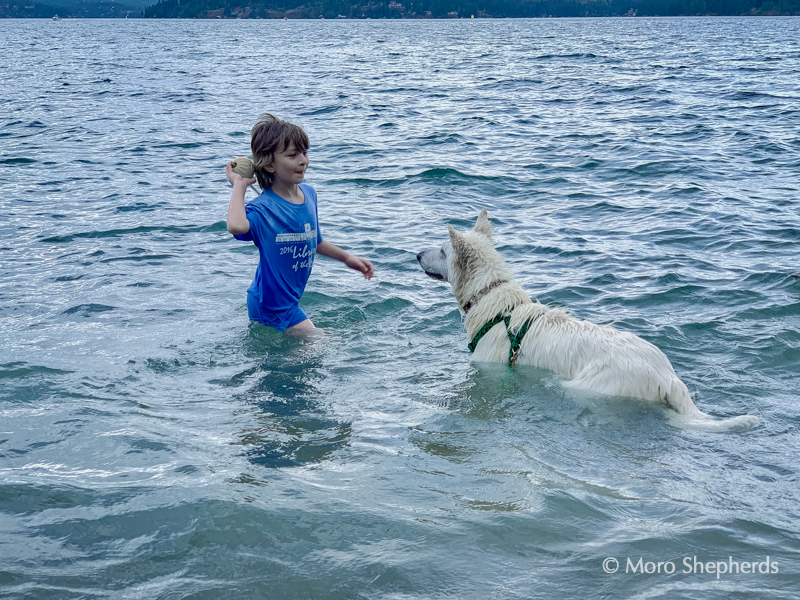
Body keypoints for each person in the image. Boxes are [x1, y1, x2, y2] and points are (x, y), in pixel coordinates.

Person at [225, 114, 374, 332]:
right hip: (273, 305)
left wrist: (347, 258)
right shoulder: (264, 208)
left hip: (279, 301)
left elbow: (314, 240)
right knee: (320, 346)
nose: (303, 160)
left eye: (305, 152)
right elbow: (236, 226)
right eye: (293, 155)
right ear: (269, 164)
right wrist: (239, 184)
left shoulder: (309, 194)